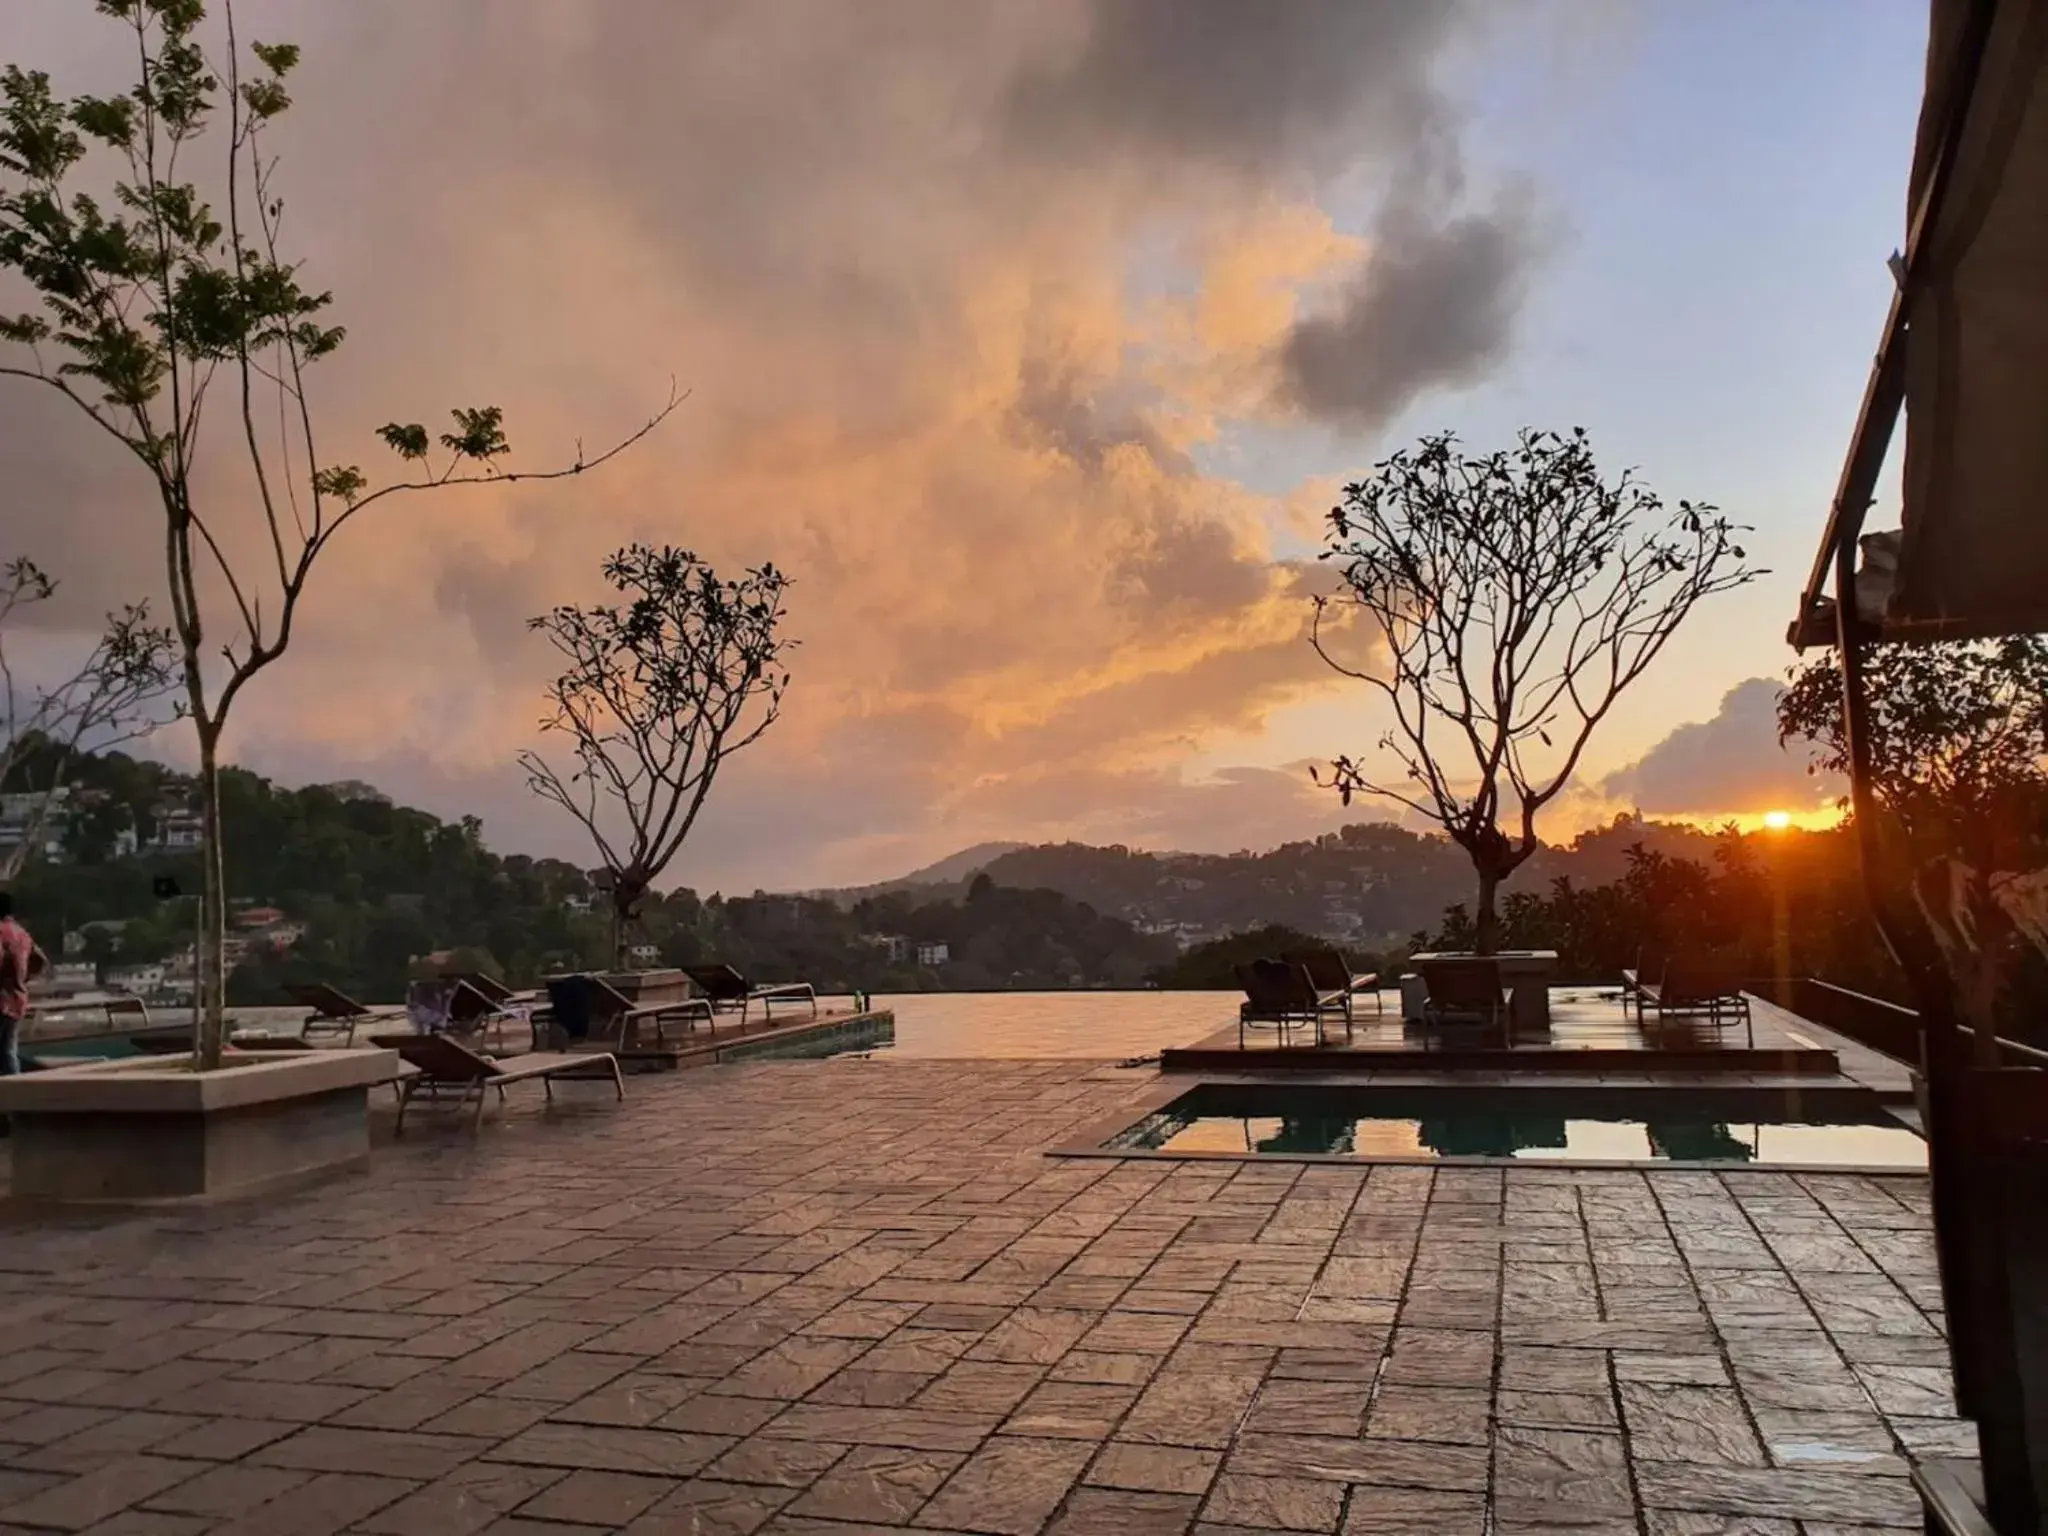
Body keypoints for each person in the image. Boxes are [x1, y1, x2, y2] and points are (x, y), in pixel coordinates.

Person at [0, 891, 50, 1082]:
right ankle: (15, 1098)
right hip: (17, 1000)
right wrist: (22, 979)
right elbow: (41, 961)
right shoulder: (21, 933)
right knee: (8, 1052)